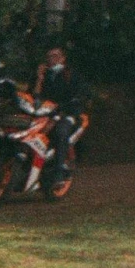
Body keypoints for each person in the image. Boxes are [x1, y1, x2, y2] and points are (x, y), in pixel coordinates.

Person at [32, 44, 88, 187]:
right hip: (44, 115)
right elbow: (33, 97)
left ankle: (58, 174)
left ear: (63, 58)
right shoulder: (44, 76)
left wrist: (70, 104)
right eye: (49, 57)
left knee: (61, 133)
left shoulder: (72, 75)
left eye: (55, 56)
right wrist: (39, 78)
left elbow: (82, 93)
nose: (52, 60)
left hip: (67, 113)